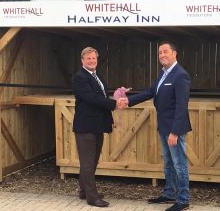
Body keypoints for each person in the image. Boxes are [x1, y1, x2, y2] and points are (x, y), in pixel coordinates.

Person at [123, 41, 192, 211]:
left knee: (179, 164)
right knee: (168, 163)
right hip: (163, 127)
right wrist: (128, 101)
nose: (162, 55)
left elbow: (182, 106)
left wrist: (175, 132)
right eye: (160, 52)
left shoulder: (180, 75)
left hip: (174, 129)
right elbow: (149, 92)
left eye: (165, 51)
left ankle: (183, 199)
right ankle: (169, 193)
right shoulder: (163, 75)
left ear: (174, 53)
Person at [72, 47, 126, 207]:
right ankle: (92, 197)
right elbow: (91, 98)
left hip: (97, 125)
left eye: (94, 58)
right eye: (88, 59)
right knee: (88, 163)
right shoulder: (80, 77)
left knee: (92, 161)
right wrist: (114, 104)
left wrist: (115, 100)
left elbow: (101, 96)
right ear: (82, 60)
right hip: (85, 126)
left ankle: (84, 191)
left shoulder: (97, 76)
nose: (91, 61)